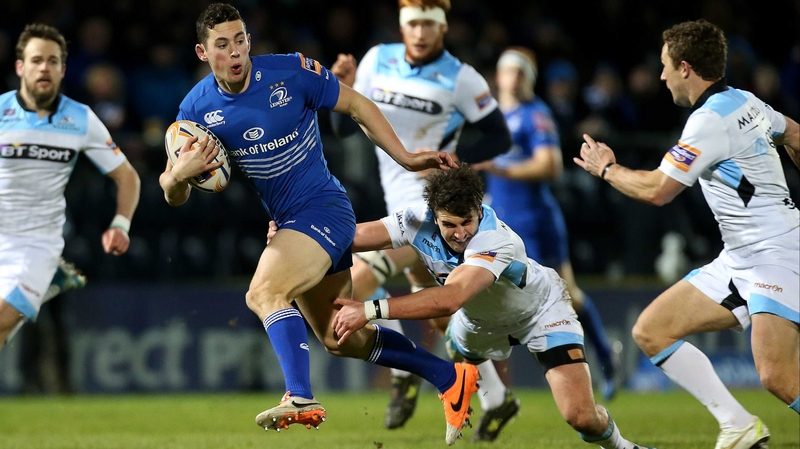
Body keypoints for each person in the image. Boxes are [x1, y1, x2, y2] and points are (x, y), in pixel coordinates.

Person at [159, 4, 477, 444]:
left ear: (249, 39)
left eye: (240, 39)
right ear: (202, 51)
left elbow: (358, 105)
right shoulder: (195, 108)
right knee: (339, 337)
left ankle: (300, 396)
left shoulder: (291, 73)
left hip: (325, 209)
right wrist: (178, 173)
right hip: (289, 222)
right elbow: (172, 194)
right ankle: (448, 378)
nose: (235, 51)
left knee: (263, 292)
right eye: (222, 44)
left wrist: (405, 156)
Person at [574, 19, 800, 448]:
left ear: (685, 68)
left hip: (777, 253)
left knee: (778, 377)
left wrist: (606, 168)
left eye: (664, 66)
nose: (660, 76)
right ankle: (738, 425)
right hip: (740, 258)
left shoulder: (708, 122)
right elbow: (794, 134)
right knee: (651, 330)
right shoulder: (745, 101)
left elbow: (658, 191)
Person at [331, 164, 656, 449]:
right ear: (432, 213)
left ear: (479, 208)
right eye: (449, 225)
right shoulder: (415, 220)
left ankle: (625, 448)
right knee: (452, 336)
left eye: (467, 222)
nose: (460, 234)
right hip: (477, 325)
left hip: (540, 313)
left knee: (581, 417)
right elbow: (353, 236)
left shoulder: (494, 239)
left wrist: (369, 310)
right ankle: (496, 400)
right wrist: (294, 237)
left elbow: (450, 298)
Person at [329, 0, 513, 431]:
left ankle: (402, 378)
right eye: (412, 23)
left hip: (430, 210)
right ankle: (498, 398)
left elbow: (499, 136)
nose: (420, 32)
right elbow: (342, 128)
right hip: (394, 204)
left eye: (429, 24)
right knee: (438, 317)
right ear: (401, 25)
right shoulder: (377, 60)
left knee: (362, 277)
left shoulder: (461, 77)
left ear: (443, 28)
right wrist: (343, 87)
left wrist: (457, 158)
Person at [473, 46, 620, 403]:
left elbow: (551, 165)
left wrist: (499, 168)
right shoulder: (490, 116)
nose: (514, 77)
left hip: (536, 219)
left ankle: (604, 361)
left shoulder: (536, 115)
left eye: (521, 71)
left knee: (567, 293)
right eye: (508, 70)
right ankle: (493, 387)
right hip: (502, 219)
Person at [0, 23, 141, 352]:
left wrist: (120, 224)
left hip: (37, 246)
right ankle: (47, 286)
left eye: (52, 61)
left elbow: (127, 177)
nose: (44, 68)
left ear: (63, 69)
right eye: (36, 60)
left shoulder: (80, 119)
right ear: (21, 67)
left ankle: (45, 278)